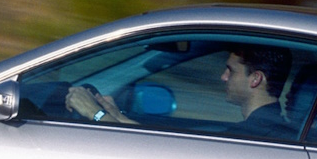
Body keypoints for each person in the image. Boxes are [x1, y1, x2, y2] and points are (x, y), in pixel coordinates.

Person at [65, 44, 296, 139]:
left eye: (231, 71)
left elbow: (155, 151)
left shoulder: (254, 135)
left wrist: (94, 114)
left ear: (255, 79)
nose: (223, 77)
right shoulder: (268, 127)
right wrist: (114, 115)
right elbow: (159, 142)